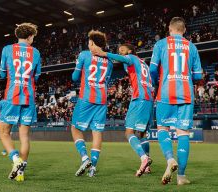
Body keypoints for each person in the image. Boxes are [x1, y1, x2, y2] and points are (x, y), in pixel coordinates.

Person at [150, 17, 202, 185]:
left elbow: (152, 69)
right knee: (183, 134)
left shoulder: (160, 44)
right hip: (186, 94)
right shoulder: (192, 47)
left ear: (170, 28)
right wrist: (187, 77)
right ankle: (181, 177)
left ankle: (170, 159)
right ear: (184, 30)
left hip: (165, 92)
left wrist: (159, 80)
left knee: (162, 128)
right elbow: (199, 75)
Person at [91, 44, 154, 177]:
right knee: (142, 133)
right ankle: (146, 167)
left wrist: (104, 54)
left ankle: (144, 158)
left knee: (129, 132)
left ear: (130, 51)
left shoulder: (131, 58)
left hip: (139, 98)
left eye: (123, 50)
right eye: (119, 51)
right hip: (149, 99)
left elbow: (124, 60)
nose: (120, 52)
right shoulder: (144, 64)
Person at [0, 23, 41, 181]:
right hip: (29, 97)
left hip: (12, 96)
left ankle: (15, 158)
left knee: (4, 133)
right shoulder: (36, 52)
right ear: (29, 36)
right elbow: (36, 77)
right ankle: (20, 173)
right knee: (24, 137)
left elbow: (3, 75)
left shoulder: (7, 49)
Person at [71, 30, 113, 178]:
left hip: (87, 97)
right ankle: (93, 168)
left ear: (92, 43)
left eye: (89, 41)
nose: (88, 44)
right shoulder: (109, 60)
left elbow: (75, 77)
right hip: (102, 99)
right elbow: (106, 81)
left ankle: (84, 158)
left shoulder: (84, 55)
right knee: (97, 133)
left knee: (75, 128)